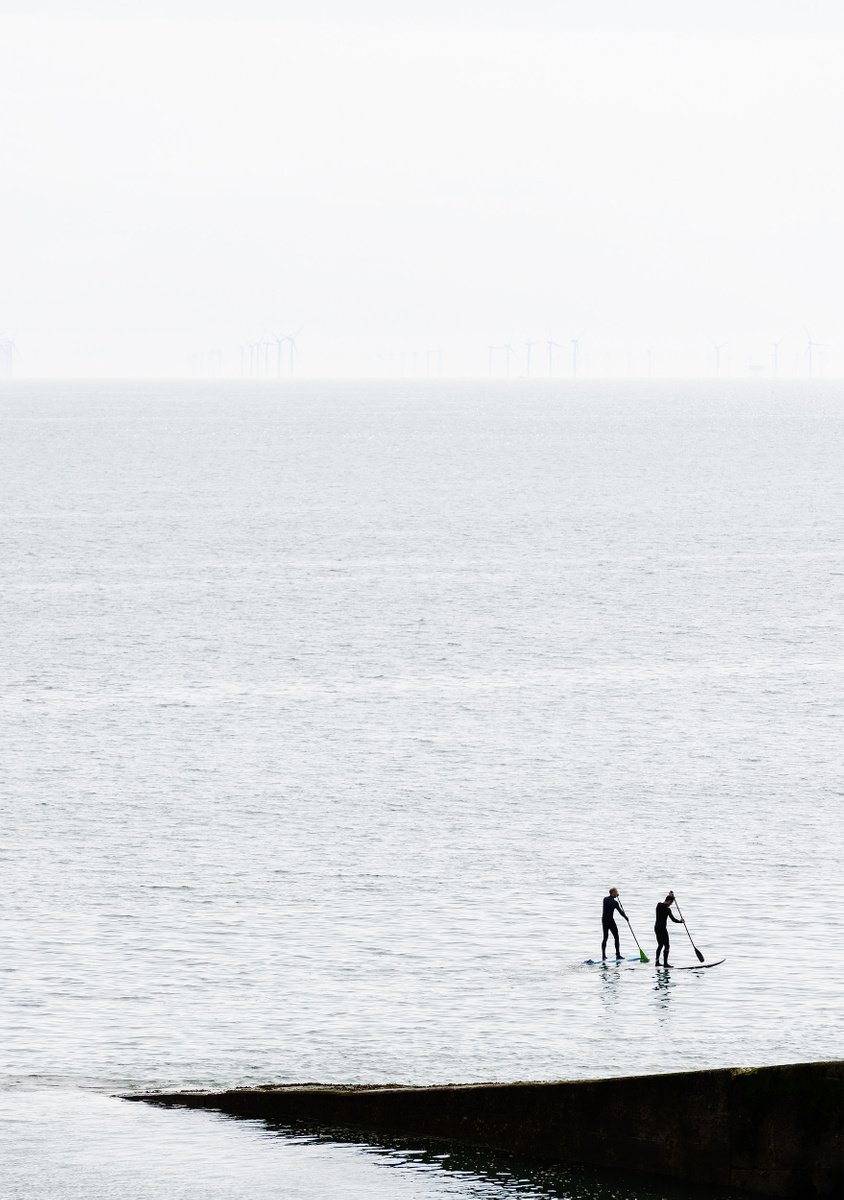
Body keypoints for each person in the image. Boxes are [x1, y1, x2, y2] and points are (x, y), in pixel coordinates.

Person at [654, 891, 684, 966]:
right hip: (662, 929)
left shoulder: (658, 905)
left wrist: (670, 895)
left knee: (660, 945)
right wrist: (680, 921)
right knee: (667, 946)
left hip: (656, 928)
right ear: (669, 901)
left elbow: (666, 901)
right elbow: (673, 920)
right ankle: (665, 963)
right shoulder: (667, 910)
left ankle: (657, 962)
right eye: (671, 903)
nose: (671, 904)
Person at [601, 887, 628, 959]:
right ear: (613, 893)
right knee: (616, 937)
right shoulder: (615, 902)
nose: (617, 893)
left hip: (604, 920)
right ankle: (618, 955)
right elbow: (620, 912)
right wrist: (626, 918)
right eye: (616, 892)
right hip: (610, 920)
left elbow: (611, 900)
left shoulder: (605, 899)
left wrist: (615, 897)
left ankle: (603, 956)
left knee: (605, 938)